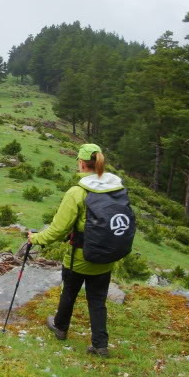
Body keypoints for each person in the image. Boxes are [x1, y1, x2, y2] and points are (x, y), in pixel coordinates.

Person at [28, 143, 124, 358]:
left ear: (81, 163)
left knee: (69, 291)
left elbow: (58, 229)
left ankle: (60, 327)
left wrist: (35, 239)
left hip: (80, 256)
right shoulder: (116, 188)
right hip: (107, 255)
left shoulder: (77, 192)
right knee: (98, 300)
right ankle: (100, 345)